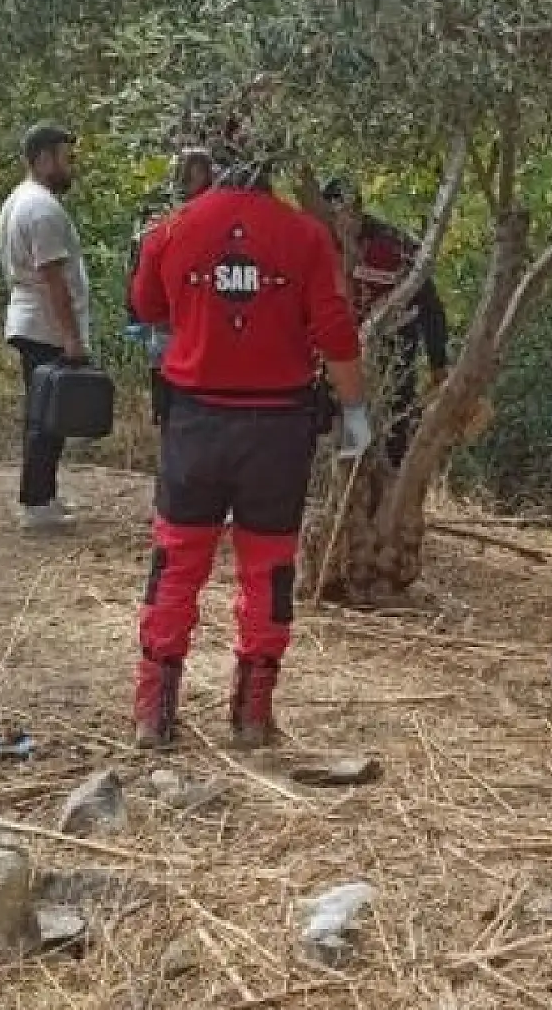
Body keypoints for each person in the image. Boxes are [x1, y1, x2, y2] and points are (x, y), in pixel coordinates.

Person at [128, 142, 370, 750]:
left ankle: (153, 714)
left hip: (195, 421)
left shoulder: (173, 227)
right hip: (277, 428)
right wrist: (356, 411)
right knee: (269, 570)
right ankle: (252, 717)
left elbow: (146, 305)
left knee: (177, 562)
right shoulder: (306, 235)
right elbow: (334, 330)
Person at [323, 177, 451, 467]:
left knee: (396, 415)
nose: (341, 224)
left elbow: (430, 306)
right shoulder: (322, 246)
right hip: (346, 348)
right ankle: (353, 480)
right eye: (333, 216)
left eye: (345, 214)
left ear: (357, 211)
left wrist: (438, 362)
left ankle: (392, 480)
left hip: (394, 342)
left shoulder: (394, 245)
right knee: (345, 415)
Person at [0, 123, 87, 531]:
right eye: (65, 158)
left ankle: (44, 493)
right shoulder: (40, 209)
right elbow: (53, 278)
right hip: (44, 325)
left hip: (34, 320)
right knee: (46, 416)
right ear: (44, 158)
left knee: (48, 413)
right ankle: (36, 501)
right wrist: (70, 336)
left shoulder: (24, 200)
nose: (70, 167)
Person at [126, 147, 214, 424]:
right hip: (184, 332)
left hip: (172, 331)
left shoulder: (163, 219)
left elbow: (142, 292)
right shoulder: (170, 218)